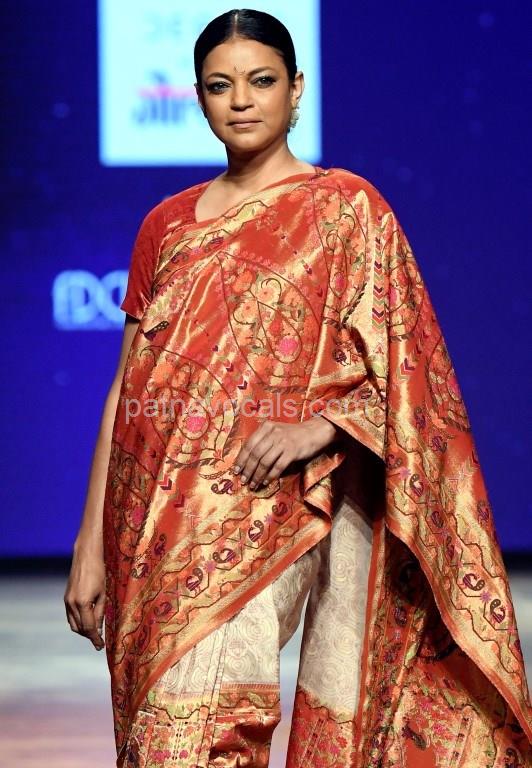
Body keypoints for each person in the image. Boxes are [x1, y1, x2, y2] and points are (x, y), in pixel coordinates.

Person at [64, 8, 532, 767]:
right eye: (220, 86)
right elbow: (127, 388)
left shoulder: (349, 211)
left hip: (276, 502)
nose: (241, 100)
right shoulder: (165, 225)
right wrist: (90, 545)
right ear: (198, 97)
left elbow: (413, 379)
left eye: (261, 80)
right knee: (157, 737)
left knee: (205, 730)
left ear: (296, 87)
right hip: (153, 518)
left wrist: (317, 428)